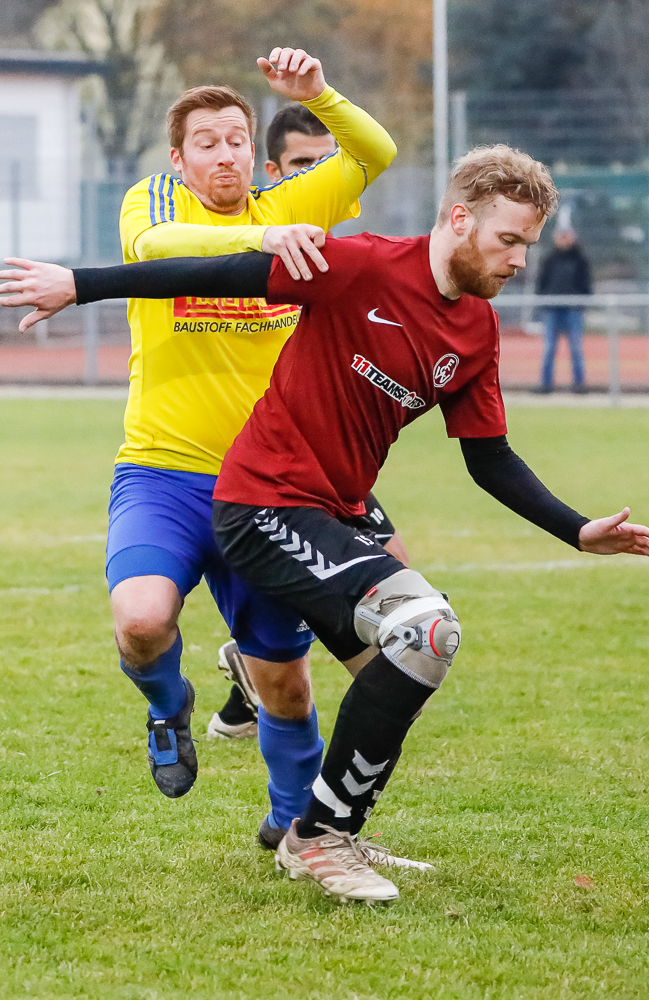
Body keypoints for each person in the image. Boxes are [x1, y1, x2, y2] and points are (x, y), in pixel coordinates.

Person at [0, 144, 649, 902]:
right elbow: (219, 274)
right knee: (424, 627)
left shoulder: (475, 330)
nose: (518, 260)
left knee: (415, 655)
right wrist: (80, 285)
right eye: (508, 239)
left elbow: (490, 458)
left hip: (334, 513)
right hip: (262, 503)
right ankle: (318, 837)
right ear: (459, 220)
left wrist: (577, 529)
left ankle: (322, 826)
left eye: (528, 245)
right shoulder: (363, 265)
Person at [97, 46, 412, 866]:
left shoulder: (290, 199)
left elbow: (376, 151)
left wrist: (321, 94)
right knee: (141, 622)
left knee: (285, 683)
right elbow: (156, 247)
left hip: (271, 489)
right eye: (206, 143)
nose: (225, 155)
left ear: (253, 151)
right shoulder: (154, 202)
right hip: (163, 474)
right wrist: (267, 235)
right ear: (179, 159)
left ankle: (292, 826)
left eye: (237, 139)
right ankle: (167, 704)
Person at [204, 99, 416, 744]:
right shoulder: (252, 238)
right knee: (322, 605)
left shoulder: (341, 253)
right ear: (272, 171)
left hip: (314, 457)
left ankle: (246, 682)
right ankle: (255, 675)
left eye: (329, 163)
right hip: (247, 464)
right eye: (302, 164)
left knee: (396, 579)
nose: (318, 175)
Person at [534, 227, 591, 393]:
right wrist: (545, 300)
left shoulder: (580, 260)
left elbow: (586, 285)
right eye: (561, 236)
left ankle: (579, 385)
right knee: (549, 347)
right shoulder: (550, 260)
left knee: (576, 347)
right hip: (552, 309)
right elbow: (542, 283)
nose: (564, 239)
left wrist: (579, 302)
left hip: (573, 310)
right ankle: (546, 385)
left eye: (567, 236)